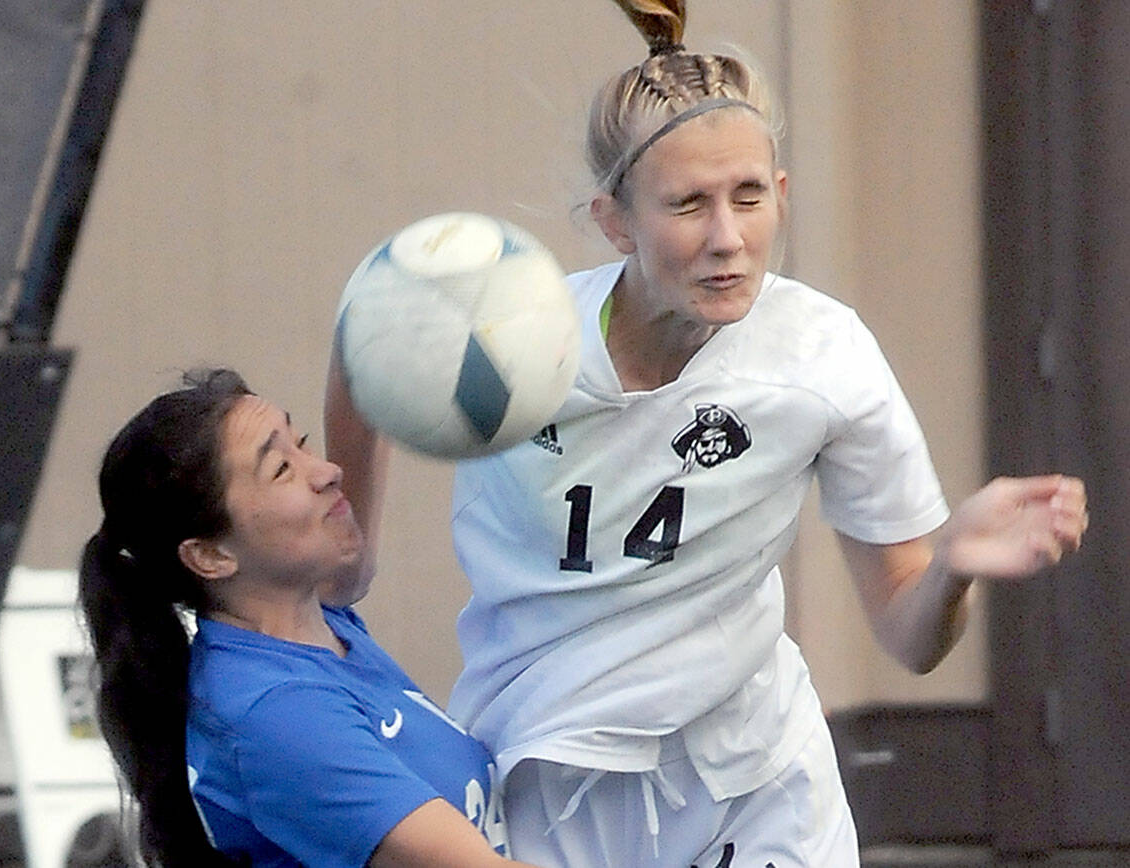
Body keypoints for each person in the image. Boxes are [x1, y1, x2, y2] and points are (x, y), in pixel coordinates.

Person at [324, 2, 1090, 866]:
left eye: (749, 197)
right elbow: (368, 348)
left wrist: (949, 565)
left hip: (753, 782)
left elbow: (911, 642)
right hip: (547, 771)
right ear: (614, 218)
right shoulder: (517, 340)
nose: (728, 239)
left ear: (782, 195)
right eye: (688, 204)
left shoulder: (822, 357)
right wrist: (350, 523)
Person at [78, 369, 536, 867]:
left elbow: (361, 409)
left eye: (303, 444)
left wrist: (376, 320)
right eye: (281, 468)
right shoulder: (274, 714)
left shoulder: (320, 622)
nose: (325, 471)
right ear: (210, 555)